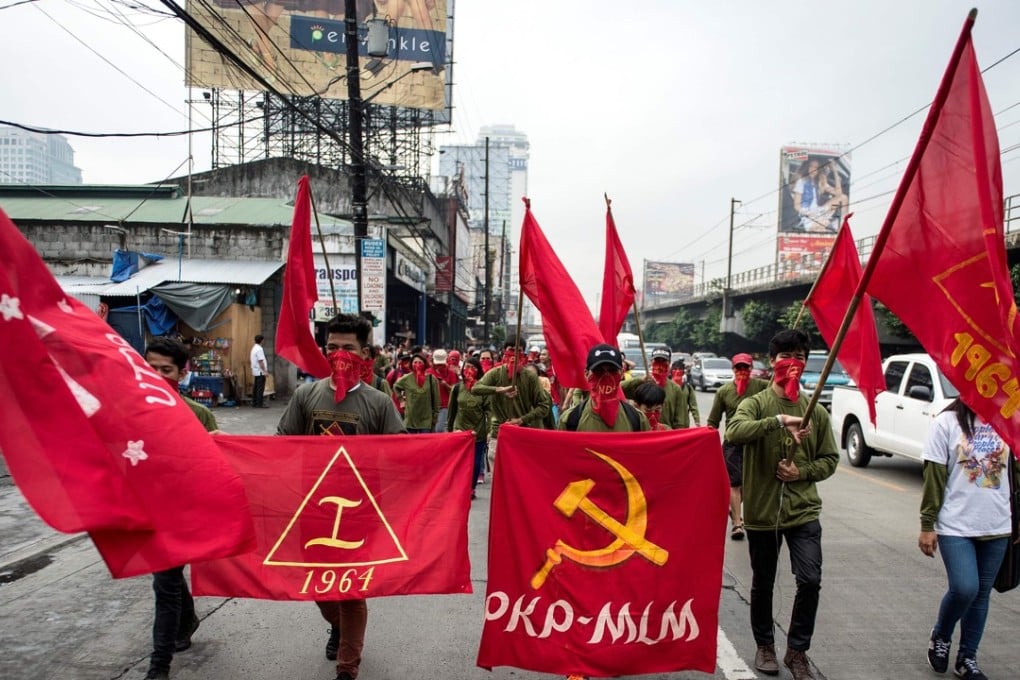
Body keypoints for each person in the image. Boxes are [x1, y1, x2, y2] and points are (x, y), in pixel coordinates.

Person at [276, 313, 406, 680]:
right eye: (331, 347)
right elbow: (281, 447)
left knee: (352, 592)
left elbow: (402, 454)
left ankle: (348, 667)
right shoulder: (305, 395)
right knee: (320, 588)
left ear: (366, 354)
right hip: (312, 509)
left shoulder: (379, 403)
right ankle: (336, 626)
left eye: (347, 348)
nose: (338, 354)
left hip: (358, 513)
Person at [725, 329, 839, 680]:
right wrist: (778, 422)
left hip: (804, 510)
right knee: (764, 581)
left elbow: (830, 459)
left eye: (800, 357)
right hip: (761, 513)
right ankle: (765, 645)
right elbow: (734, 433)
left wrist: (801, 471)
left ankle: (798, 650)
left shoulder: (815, 410)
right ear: (772, 361)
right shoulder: (756, 403)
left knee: (810, 579)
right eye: (785, 356)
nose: (793, 363)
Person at [557, 343, 648, 680]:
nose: (606, 379)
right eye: (599, 373)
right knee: (581, 593)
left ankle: (613, 654)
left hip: (626, 521)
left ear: (621, 375)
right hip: (582, 523)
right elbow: (554, 466)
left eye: (612, 371)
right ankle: (579, 662)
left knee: (618, 592)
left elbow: (651, 466)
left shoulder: (636, 419)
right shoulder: (573, 418)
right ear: (587, 378)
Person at [920, 398, 1015, 680]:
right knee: (964, 588)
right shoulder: (945, 422)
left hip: (998, 524)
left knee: (981, 594)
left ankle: (967, 658)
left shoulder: (1009, 420)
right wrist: (927, 524)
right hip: (955, 525)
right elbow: (934, 477)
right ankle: (941, 635)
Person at [142, 337, 219, 680]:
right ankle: (187, 619)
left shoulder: (199, 414)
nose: (157, 375)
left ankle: (159, 666)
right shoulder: (127, 409)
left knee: (165, 585)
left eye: (166, 370)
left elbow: (218, 465)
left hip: (183, 514)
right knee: (168, 582)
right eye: (151, 367)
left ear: (181, 372)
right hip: (145, 510)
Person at [707, 353, 771, 541]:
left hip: (756, 441)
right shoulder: (724, 392)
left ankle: (733, 508)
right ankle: (737, 523)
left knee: (747, 484)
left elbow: (778, 392)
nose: (742, 371)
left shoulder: (762, 387)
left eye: (746, 368)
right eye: (738, 368)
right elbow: (713, 421)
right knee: (734, 483)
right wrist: (707, 446)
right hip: (733, 443)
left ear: (751, 370)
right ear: (733, 370)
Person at [471, 342, 550, 472]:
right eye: (511, 350)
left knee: (520, 474)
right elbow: (476, 388)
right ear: (504, 352)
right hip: (499, 431)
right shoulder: (495, 374)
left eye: (518, 350)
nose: (514, 354)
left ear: (524, 353)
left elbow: (544, 406)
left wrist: (521, 420)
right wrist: (499, 389)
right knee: (498, 475)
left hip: (522, 433)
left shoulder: (530, 377)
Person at [558, 343, 650, 433]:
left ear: (621, 373)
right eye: (598, 371)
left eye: (612, 370)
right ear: (586, 374)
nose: (606, 377)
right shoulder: (569, 420)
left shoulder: (637, 420)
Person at [621, 348, 700, 429]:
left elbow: (681, 422)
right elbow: (618, 390)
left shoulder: (675, 389)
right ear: (651, 362)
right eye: (657, 361)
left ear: (669, 363)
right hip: (642, 435)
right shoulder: (641, 385)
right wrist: (639, 380)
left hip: (665, 436)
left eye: (663, 361)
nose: (660, 364)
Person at [446, 356, 490, 500]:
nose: (469, 370)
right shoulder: (457, 388)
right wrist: (450, 429)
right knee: (460, 463)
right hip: (460, 432)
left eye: (473, 368)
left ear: (478, 371)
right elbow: (451, 411)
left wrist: (489, 430)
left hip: (478, 433)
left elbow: (489, 411)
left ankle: (471, 488)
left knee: (476, 463)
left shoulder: (482, 389)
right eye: (467, 367)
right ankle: (460, 487)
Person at [393, 353, 440, 433]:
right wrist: (401, 400)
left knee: (425, 444)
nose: (417, 365)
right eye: (415, 362)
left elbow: (436, 400)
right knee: (411, 444)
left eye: (420, 362)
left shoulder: (432, 379)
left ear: (425, 364)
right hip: (411, 419)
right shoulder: (407, 378)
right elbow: (395, 386)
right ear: (411, 364)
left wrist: (435, 417)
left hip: (426, 420)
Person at [428, 348, 458, 432]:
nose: (439, 366)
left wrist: (446, 385)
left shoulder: (451, 373)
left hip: (444, 406)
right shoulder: (428, 372)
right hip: (429, 406)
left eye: (441, 364)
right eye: (438, 364)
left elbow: (456, 389)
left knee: (439, 430)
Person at [250, 334, 268, 408]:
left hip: (255, 371)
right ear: (262, 340)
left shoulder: (254, 348)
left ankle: (254, 402)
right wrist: (265, 371)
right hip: (260, 371)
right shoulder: (259, 349)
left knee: (256, 388)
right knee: (260, 388)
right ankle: (259, 403)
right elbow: (261, 361)